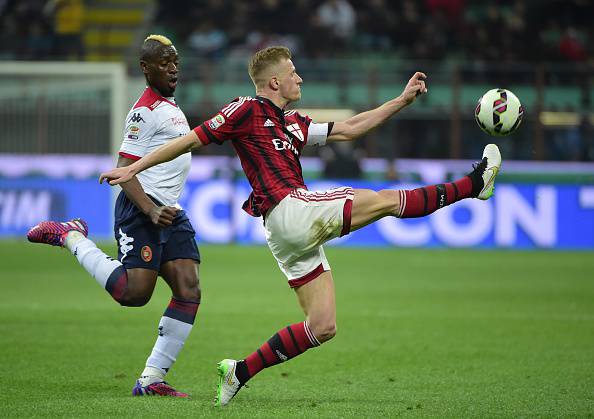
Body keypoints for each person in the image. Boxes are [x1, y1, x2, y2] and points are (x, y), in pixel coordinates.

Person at [98, 46, 501, 406]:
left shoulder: (292, 122)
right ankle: (473, 184)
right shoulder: (245, 109)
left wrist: (400, 100)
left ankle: (238, 372)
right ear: (274, 81)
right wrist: (134, 167)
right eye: (293, 73)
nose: (300, 78)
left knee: (323, 326)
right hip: (289, 208)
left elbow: (350, 128)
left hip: (287, 233)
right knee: (383, 201)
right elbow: (190, 141)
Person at [27, 35, 201, 398]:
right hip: (143, 209)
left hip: (170, 210)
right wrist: (150, 209)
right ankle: (70, 235)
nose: (173, 68)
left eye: (175, 62)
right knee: (134, 293)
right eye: (164, 62)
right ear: (145, 68)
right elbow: (124, 170)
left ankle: (151, 380)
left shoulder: (170, 106)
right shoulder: (144, 112)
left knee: (188, 289)